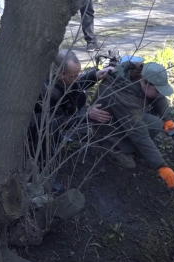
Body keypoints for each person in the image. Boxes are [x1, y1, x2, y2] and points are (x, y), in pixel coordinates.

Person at [29, 49, 113, 191]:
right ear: (60, 74)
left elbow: (74, 86)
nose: (78, 78)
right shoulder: (45, 91)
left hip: (52, 118)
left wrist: (95, 75)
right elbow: (56, 121)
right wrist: (86, 115)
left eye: (78, 74)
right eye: (74, 75)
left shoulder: (60, 79)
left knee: (79, 96)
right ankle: (45, 172)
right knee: (50, 128)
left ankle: (56, 140)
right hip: (34, 126)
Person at [91, 60, 174, 189]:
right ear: (144, 83)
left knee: (155, 122)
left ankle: (135, 147)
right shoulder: (122, 95)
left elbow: (158, 97)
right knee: (152, 125)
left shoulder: (141, 75)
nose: (160, 94)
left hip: (124, 115)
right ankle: (117, 147)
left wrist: (168, 119)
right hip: (107, 124)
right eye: (158, 90)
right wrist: (162, 166)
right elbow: (140, 134)